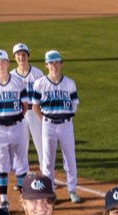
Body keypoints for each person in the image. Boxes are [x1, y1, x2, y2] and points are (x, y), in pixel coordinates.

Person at [0, 50, 33, 205]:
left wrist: (15, 117)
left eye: (3, 61)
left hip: (18, 125)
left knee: (21, 160)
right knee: (1, 162)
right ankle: (4, 200)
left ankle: (23, 196)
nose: (0, 64)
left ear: (8, 63)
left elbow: (24, 106)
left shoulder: (18, 82)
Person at [33, 50, 82, 202]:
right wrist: (46, 119)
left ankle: (72, 190)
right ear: (46, 65)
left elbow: (75, 103)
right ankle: (49, 192)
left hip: (66, 125)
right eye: (51, 63)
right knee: (48, 161)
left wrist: (67, 116)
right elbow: (35, 106)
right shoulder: (39, 84)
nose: (54, 65)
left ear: (61, 64)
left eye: (56, 62)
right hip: (48, 125)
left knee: (70, 158)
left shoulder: (69, 83)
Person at [11, 43, 45, 160]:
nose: (21, 57)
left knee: (41, 144)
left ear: (28, 56)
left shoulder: (37, 73)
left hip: (35, 112)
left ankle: (45, 171)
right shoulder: (11, 75)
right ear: (15, 57)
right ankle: (21, 173)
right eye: (18, 55)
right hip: (20, 114)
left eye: (24, 54)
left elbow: (43, 94)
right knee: (21, 145)